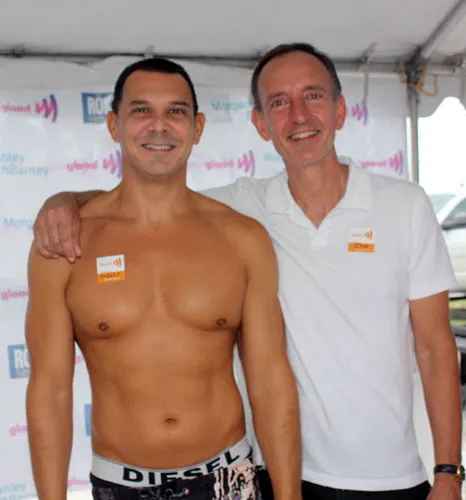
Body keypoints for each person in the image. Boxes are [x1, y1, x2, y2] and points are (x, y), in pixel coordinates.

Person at [32, 44, 464, 500]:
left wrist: (448, 471)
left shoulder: (244, 228)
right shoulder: (71, 242)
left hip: (343, 475)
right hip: (171, 479)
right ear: (260, 123)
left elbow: (432, 347)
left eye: (313, 96)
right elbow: (50, 390)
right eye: (279, 102)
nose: (299, 116)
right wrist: (65, 201)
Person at [25, 57, 303, 500]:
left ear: (197, 127)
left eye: (175, 111)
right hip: (121, 485)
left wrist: (289, 496)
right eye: (141, 110)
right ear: (114, 125)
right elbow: (50, 392)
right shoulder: (66, 244)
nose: (159, 126)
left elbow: (270, 381)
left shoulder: (242, 239)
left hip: (228, 481)